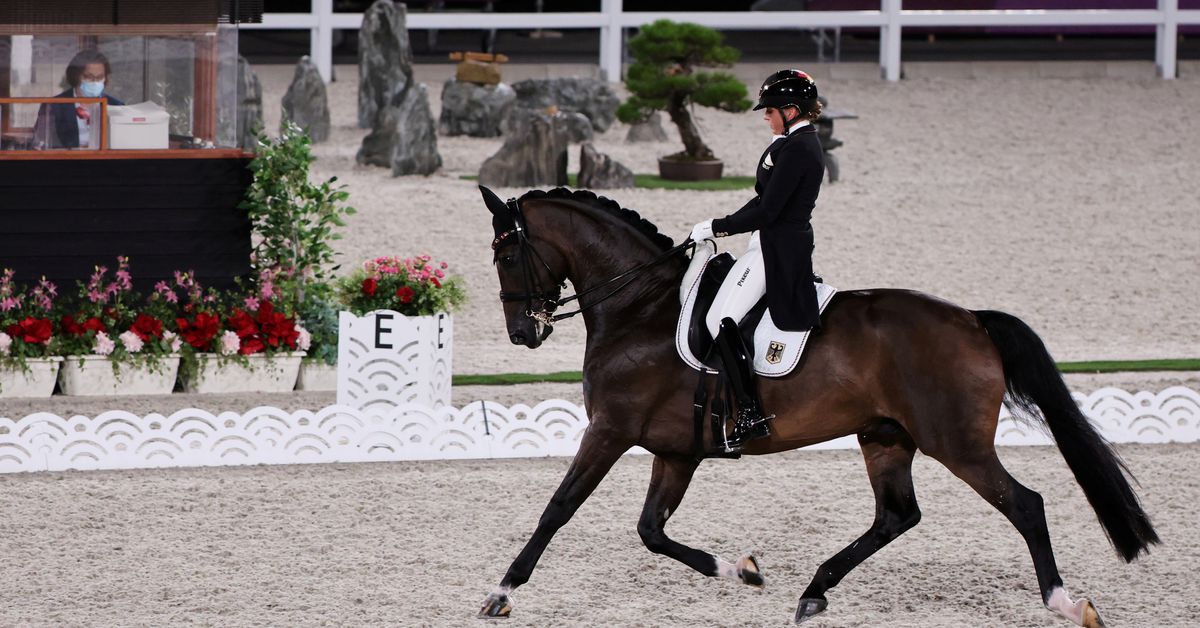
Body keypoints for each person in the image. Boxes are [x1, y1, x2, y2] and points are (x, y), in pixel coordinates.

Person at [688, 69, 826, 451]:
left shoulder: (800, 148)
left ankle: (749, 411)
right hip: (766, 242)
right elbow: (762, 199)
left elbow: (769, 209)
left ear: (791, 110)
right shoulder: (789, 142)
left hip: (777, 248)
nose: (765, 116)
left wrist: (720, 226)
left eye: (770, 111)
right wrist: (724, 222)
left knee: (719, 319)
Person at [32, 49, 124, 149]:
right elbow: (40, 143)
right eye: (89, 77)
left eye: (100, 77)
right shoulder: (54, 105)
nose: (95, 82)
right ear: (75, 76)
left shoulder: (117, 106)